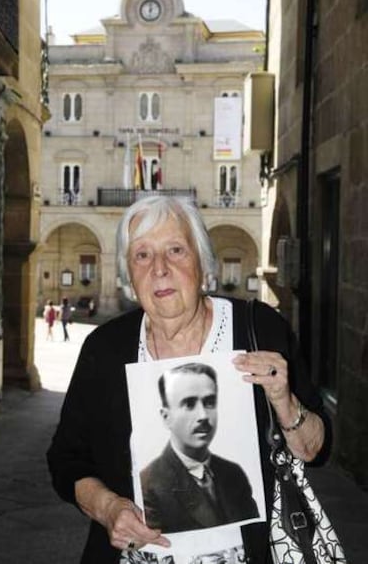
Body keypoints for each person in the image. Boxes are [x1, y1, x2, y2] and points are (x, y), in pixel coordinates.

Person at [47, 196, 331, 564]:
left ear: (202, 262)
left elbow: (316, 451)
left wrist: (285, 401)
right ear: (128, 275)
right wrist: (107, 508)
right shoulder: (105, 350)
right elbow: (66, 459)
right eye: (142, 255)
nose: (159, 269)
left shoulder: (258, 329)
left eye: (176, 250)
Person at [141, 362, 259, 533]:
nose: (203, 415)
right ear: (166, 417)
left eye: (210, 402)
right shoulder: (150, 486)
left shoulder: (233, 473)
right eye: (189, 404)